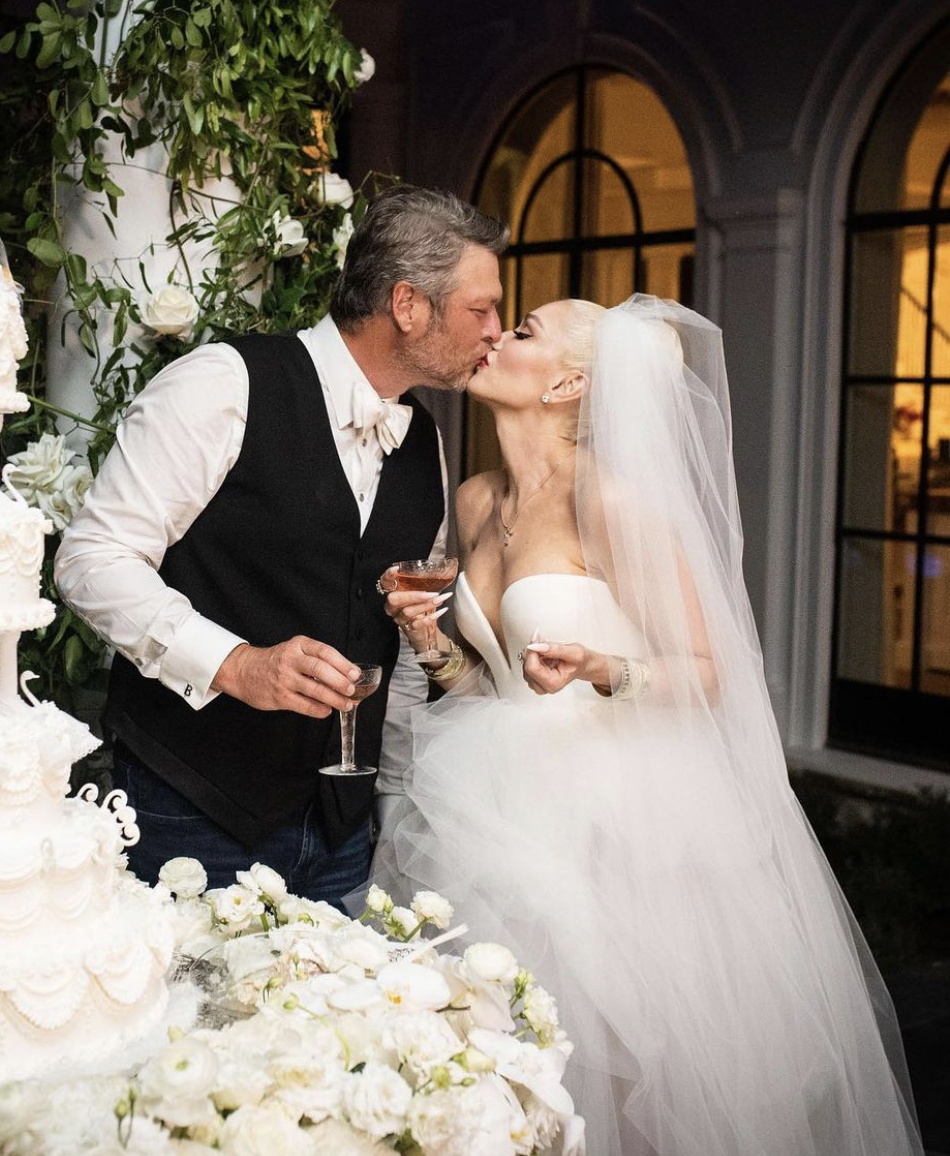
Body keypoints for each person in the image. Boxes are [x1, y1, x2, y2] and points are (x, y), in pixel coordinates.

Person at [375, 294, 922, 1156]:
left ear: (567, 385)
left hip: (613, 826)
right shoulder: (475, 499)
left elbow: (709, 669)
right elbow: (488, 686)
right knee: (485, 1060)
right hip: (494, 801)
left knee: (617, 1075)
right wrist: (430, 644)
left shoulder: (610, 502)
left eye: (524, 331)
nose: (497, 336)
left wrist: (602, 668)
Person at [55, 185, 507, 904]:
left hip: (343, 835)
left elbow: (396, 646)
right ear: (408, 305)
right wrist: (234, 664)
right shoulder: (222, 385)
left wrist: (389, 802)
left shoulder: (425, 442)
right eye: (481, 310)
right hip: (191, 811)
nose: (495, 332)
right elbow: (91, 559)